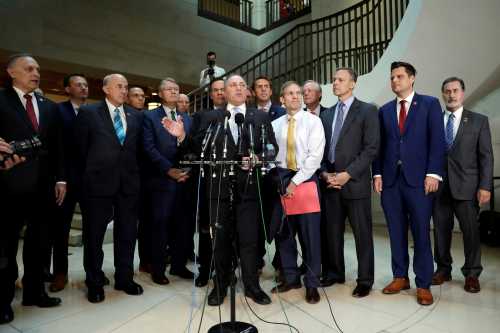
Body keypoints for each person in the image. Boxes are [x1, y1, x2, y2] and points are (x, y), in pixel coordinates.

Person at [171, 74, 277, 306]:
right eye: (233, 85)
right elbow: (193, 151)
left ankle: (251, 285)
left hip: (249, 191)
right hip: (217, 190)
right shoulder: (210, 117)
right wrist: (181, 137)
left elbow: (271, 148)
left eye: (242, 85)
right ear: (224, 93)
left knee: (249, 241)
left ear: (247, 92)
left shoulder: (259, 116)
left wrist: (258, 158)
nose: (238, 88)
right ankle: (221, 285)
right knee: (219, 240)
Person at [373, 61, 446, 306]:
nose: (395, 81)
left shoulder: (429, 104)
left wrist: (434, 174)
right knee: (395, 232)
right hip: (391, 182)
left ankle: (423, 283)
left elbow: (437, 141)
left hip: (419, 181)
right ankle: (400, 276)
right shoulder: (383, 110)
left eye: (400, 76)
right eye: (392, 77)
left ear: (412, 78)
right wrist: (378, 175)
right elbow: (379, 148)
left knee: (421, 233)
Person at [0, 54, 65, 324]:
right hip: (8, 186)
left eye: (37, 68)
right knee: (5, 246)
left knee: (39, 244)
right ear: (12, 72)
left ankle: (35, 292)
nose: (35, 72)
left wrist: (61, 179)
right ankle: (2, 300)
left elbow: (59, 146)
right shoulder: (1, 99)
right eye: (29, 68)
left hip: (43, 186)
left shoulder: (49, 106)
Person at [75, 73, 144, 303]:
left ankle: (124, 278)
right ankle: (94, 281)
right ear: (105, 89)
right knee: (94, 236)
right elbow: (80, 150)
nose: (124, 91)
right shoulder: (88, 113)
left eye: (126, 86)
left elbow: (138, 151)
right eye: (119, 86)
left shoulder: (136, 115)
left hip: (128, 185)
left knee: (127, 234)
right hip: (97, 185)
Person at [319, 68, 379, 298]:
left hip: (354, 183)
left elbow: (371, 148)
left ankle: (365, 280)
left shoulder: (367, 110)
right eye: (333, 79)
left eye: (340, 80)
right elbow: (321, 150)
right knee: (332, 233)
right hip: (331, 183)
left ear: (352, 84)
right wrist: (325, 174)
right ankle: (335, 272)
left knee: (362, 234)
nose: (335, 83)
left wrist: (348, 174)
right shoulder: (326, 114)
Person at [432, 77, 493, 293]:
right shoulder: (435, 121)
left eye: (455, 90)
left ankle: (472, 273)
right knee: (440, 231)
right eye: (447, 91)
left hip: (468, 187)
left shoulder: (478, 121)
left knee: (470, 232)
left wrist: (485, 186)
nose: (451, 94)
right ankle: (443, 269)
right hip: (439, 188)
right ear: (442, 94)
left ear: (462, 93)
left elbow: (486, 157)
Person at [269, 81, 325, 304]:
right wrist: (276, 178)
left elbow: (315, 158)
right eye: (290, 93)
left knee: (310, 236)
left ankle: (312, 284)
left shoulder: (314, 121)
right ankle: (291, 278)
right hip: (281, 181)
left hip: (305, 181)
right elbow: (269, 154)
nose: (295, 96)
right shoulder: (274, 124)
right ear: (282, 99)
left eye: (298, 93)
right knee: (284, 234)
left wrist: (295, 182)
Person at [142, 78, 194, 284]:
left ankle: (179, 266)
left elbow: (191, 147)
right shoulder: (149, 116)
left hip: (184, 179)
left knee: (183, 225)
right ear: (160, 94)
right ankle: (158, 269)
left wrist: (185, 170)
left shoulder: (187, 119)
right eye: (169, 89)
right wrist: (168, 169)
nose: (173, 92)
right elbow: (148, 148)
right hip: (160, 180)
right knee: (160, 225)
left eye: (177, 89)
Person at [49, 74, 89, 292]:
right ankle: (60, 274)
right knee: (61, 230)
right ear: (67, 89)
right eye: (78, 85)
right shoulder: (58, 111)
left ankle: (93, 273)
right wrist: (60, 178)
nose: (83, 88)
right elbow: (57, 147)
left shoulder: (94, 112)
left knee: (92, 229)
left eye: (85, 85)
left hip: (89, 180)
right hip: (65, 179)